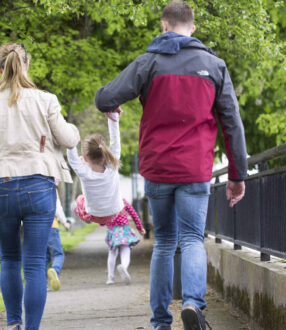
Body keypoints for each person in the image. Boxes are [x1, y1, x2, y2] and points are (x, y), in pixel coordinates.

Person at [94, 1, 247, 329]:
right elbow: (232, 124)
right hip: (195, 169)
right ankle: (193, 303)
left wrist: (113, 108)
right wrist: (237, 175)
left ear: (164, 26)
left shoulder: (147, 63)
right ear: (192, 28)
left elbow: (105, 98)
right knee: (192, 238)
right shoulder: (214, 65)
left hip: (158, 168)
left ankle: (160, 321)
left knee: (164, 241)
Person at [0, 42, 80, 330]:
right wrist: (76, 131)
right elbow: (68, 138)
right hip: (39, 187)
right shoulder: (47, 100)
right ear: (27, 64)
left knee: (9, 260)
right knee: (33, 265)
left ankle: (13, 324)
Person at [67, 111, 123, 226]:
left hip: (94, 214)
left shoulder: (84, 172)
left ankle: (86, 217)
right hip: (114, 212)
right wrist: (113, 118)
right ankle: (96, 218)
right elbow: (116, 142)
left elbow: (72, 159)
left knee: (77, 201)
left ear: (85, 158)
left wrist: (71, 135)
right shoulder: (113, 165)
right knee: (86, 200)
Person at [105, 198, 146, 285]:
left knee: (112, 253)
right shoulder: (122, 201)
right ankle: (124, 267)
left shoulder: (105, 202)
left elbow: (101, 220)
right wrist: (140, 228)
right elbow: (133, 214)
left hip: (112, 231)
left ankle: (110, 277)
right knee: (125, 251)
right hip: (124, 230)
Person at [46, 188, 71, 291]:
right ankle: (55, 270)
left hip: (37, 228)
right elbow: (57, 208)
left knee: (43, 257)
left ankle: (42, 285)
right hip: (52, 226)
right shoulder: (51, 187)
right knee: (58, 253)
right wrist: (64, 222)